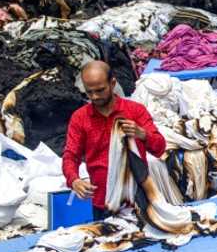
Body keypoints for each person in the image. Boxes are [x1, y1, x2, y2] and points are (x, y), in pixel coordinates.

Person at [62, 60, 166, 220]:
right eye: (89, 92)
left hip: (138, 199)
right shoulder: (80, 118)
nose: (95, 97)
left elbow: (159, 148)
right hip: (102, 202)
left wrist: (142, 134)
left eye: (100, 90)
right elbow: (70, 155)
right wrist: (74, 180)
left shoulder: (135, 111)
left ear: (112, 83)